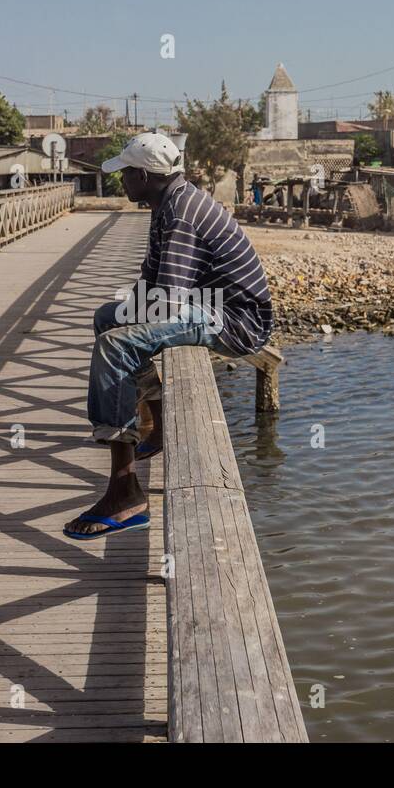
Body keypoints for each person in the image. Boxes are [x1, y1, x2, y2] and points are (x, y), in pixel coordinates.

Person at [63, 133, 273, 540]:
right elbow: (152, 284)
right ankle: (154, 423)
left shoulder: (181, 213)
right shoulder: (168, 203)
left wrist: (132, 324)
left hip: (233, 321)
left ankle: (125, 491)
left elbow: (168, 301)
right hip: (207, 304)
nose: (121, 181)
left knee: (116, 344)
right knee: (108, 318)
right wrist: (123, 312)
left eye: (125, 173)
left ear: (143, 175)